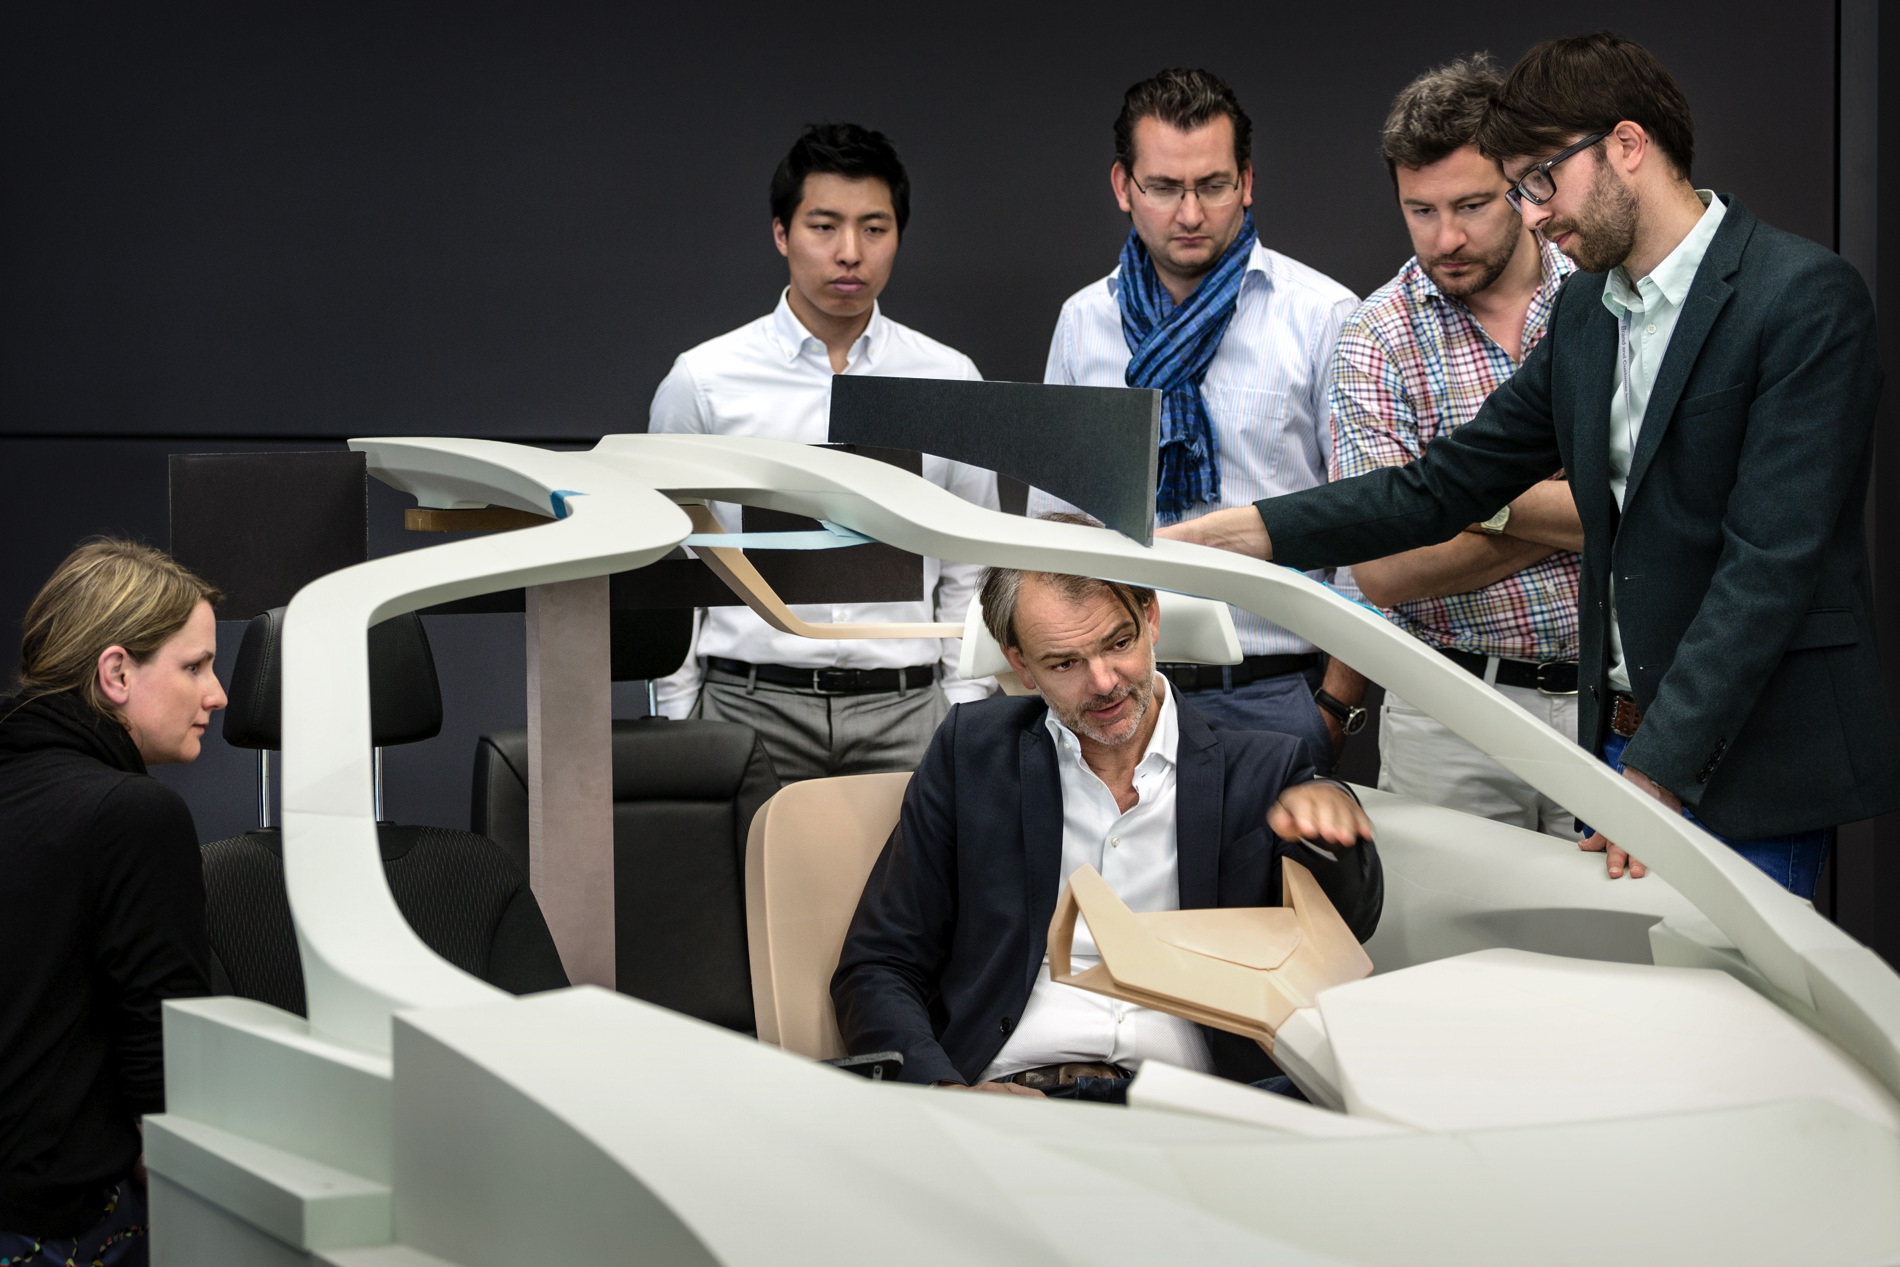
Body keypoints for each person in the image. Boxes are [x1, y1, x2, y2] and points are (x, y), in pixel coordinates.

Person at [1158, 33, 1900, 896]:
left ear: (1627, 145)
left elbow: (1768, 565)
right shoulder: (1591, 309)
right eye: (1520, 190)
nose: (1534, 215)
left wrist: (1657, 770)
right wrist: (1240, 533)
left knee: (1739, 990)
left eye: (1540, 181)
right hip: (1614, 745)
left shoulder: (1802, 298)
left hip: (1737, 755)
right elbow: (1441, 486)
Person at [832, 519, 1382, 1100]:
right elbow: (880, 963)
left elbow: (1348, 927)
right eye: (1064, 664)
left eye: (1118, 644)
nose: (1103, 683)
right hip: (1018, 1095)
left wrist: (1335, 831)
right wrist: (945, 1091)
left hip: (1194, 1106)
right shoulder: (973, 753)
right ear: (1021, 664)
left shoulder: (1264, 767)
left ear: (1151, 617)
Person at [1034, 67, 1367, 775]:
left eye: (1212, 185)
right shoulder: (1084, 322)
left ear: (1246, 182)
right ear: (1123, 186)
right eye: (1163, 188)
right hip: (1111, 696)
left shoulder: (1322, 316)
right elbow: (1050, 531)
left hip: (1273, 691)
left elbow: (1366, 525)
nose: (1189, 214)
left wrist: (1334, 708)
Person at [649, 121, 998, 785]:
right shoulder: (705, 380)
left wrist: (963, 707)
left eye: (874, 227)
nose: (849, 252)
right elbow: (674, 560)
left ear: (898, 235)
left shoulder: (949, 379)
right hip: (748, 705)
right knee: (747, 863)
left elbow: (970, 561)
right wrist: (677, 716)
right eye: (824, 226)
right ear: (782, 233)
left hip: (907, 709)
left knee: (917, 861)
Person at [1332, 56, 1582, 839]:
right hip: (1449, 714)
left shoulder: (1604, 298)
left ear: (1522, 182)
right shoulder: (1376, 336)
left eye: (1472, 204)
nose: (1446, 237)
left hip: (1616, 706)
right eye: (1421, 210)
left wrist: (1449, 499)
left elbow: (1670, 503)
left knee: (1626, 921)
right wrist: (1584, 509)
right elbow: (1383, 569)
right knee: (1455, 922)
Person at [0, 539, 226, 1265]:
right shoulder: (133, 816)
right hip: (58, 1229)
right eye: (194, 666)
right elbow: (165, 1056)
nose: (217, 694)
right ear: (117, 672)